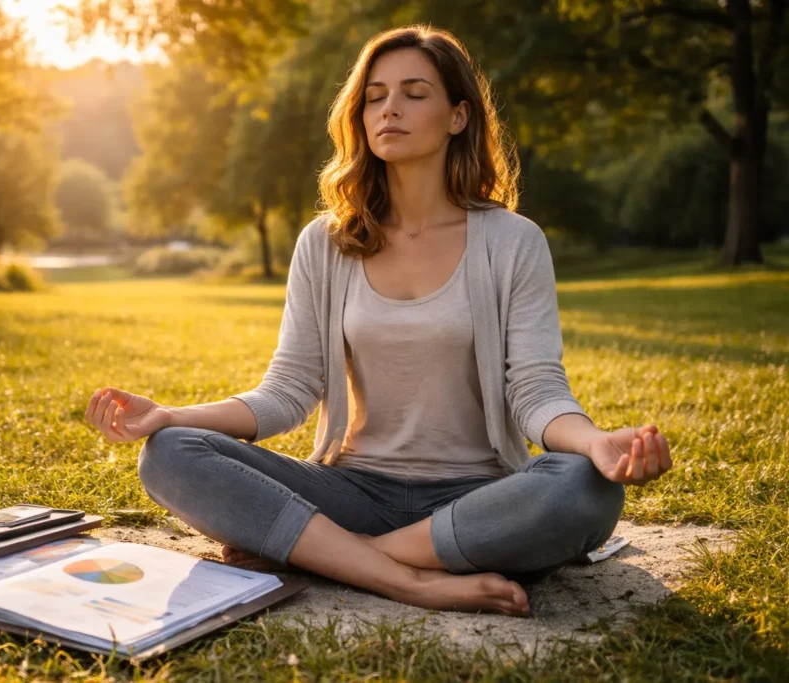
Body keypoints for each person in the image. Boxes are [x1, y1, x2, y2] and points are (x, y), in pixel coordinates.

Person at [83, 25, 674, 617]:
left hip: (481, 499)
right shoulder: (326, 243)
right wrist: (169, 416)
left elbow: (537, 391)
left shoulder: (514, 242)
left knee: (587, 486)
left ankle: (343, 557)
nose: (389, 107)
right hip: (350, 491)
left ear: (458, 117)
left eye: (415, 93)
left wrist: (597, 444)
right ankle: (410, 578)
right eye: (374, 95)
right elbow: (287, 392)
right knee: (171, 452)